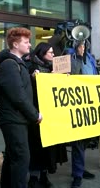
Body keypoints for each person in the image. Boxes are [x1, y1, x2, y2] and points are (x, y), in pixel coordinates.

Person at [0, 27, 42, 188]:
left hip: (17, 119)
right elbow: (18, 96)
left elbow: (19, 89)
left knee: (13, 157)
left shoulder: (16, 64)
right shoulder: (9, 65)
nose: (30, 45)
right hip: (14, 119)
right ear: (15, 44)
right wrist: (34, 115)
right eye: (26, 42)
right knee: (21, 160)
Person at [27, 42, 67, 188]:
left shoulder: (54, 67)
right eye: (50, 52)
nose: (53, 55)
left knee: (48, 147)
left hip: (51, 114)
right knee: (36, 146)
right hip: (37, 114)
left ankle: (44, 175)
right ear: (42, 53)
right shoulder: (32, 67)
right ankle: (33, 177)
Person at [69, 40, 97, 188]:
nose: (83, 47)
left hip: (90, 102)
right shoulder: (70, 56)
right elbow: (72, 74)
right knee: (78, 142)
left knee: (84, 141)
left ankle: (80, 169)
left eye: (85, 45)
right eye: (80, 45)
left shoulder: (90, 58)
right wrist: (78, 57)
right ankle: (77, 174)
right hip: (77, 103)